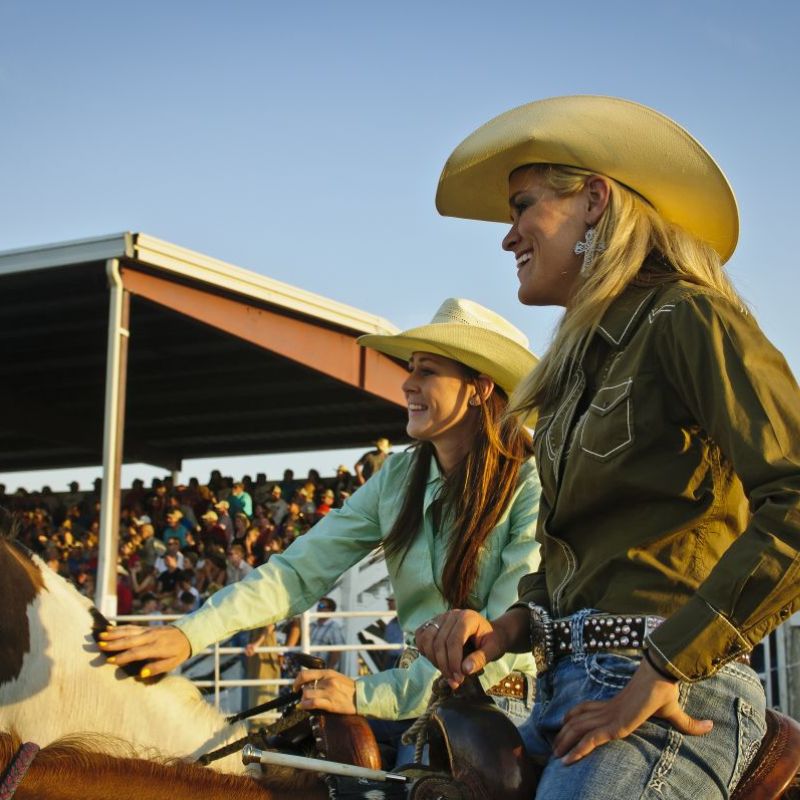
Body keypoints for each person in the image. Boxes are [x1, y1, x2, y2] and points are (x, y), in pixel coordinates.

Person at [416, 95, 800, 799]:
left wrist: (662, 667)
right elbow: (579, 567)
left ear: (594, 200)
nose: (509, 236)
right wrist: (504, 629)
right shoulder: (568, 374)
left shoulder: (689, 316)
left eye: (523, 206)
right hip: (564, 695)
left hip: (676, 702)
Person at [98, 298, 541, 746]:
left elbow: (500, 637)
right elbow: (298, 570)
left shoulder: (531, 480)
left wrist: (362, 693)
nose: (407, 383)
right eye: (410, 368)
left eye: (426, 370)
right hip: (408, 704)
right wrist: (189, 633)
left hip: (498, 713)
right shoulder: (397, 477)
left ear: (479, 389)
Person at [310, 597, 346, 670]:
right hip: (308, 666)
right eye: (318, 606)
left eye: (322, 606)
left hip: (321, 669)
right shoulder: (311, 625)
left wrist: (329, 669)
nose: (319, 609)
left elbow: (336, 651)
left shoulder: (334, 628)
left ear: (330, 610)